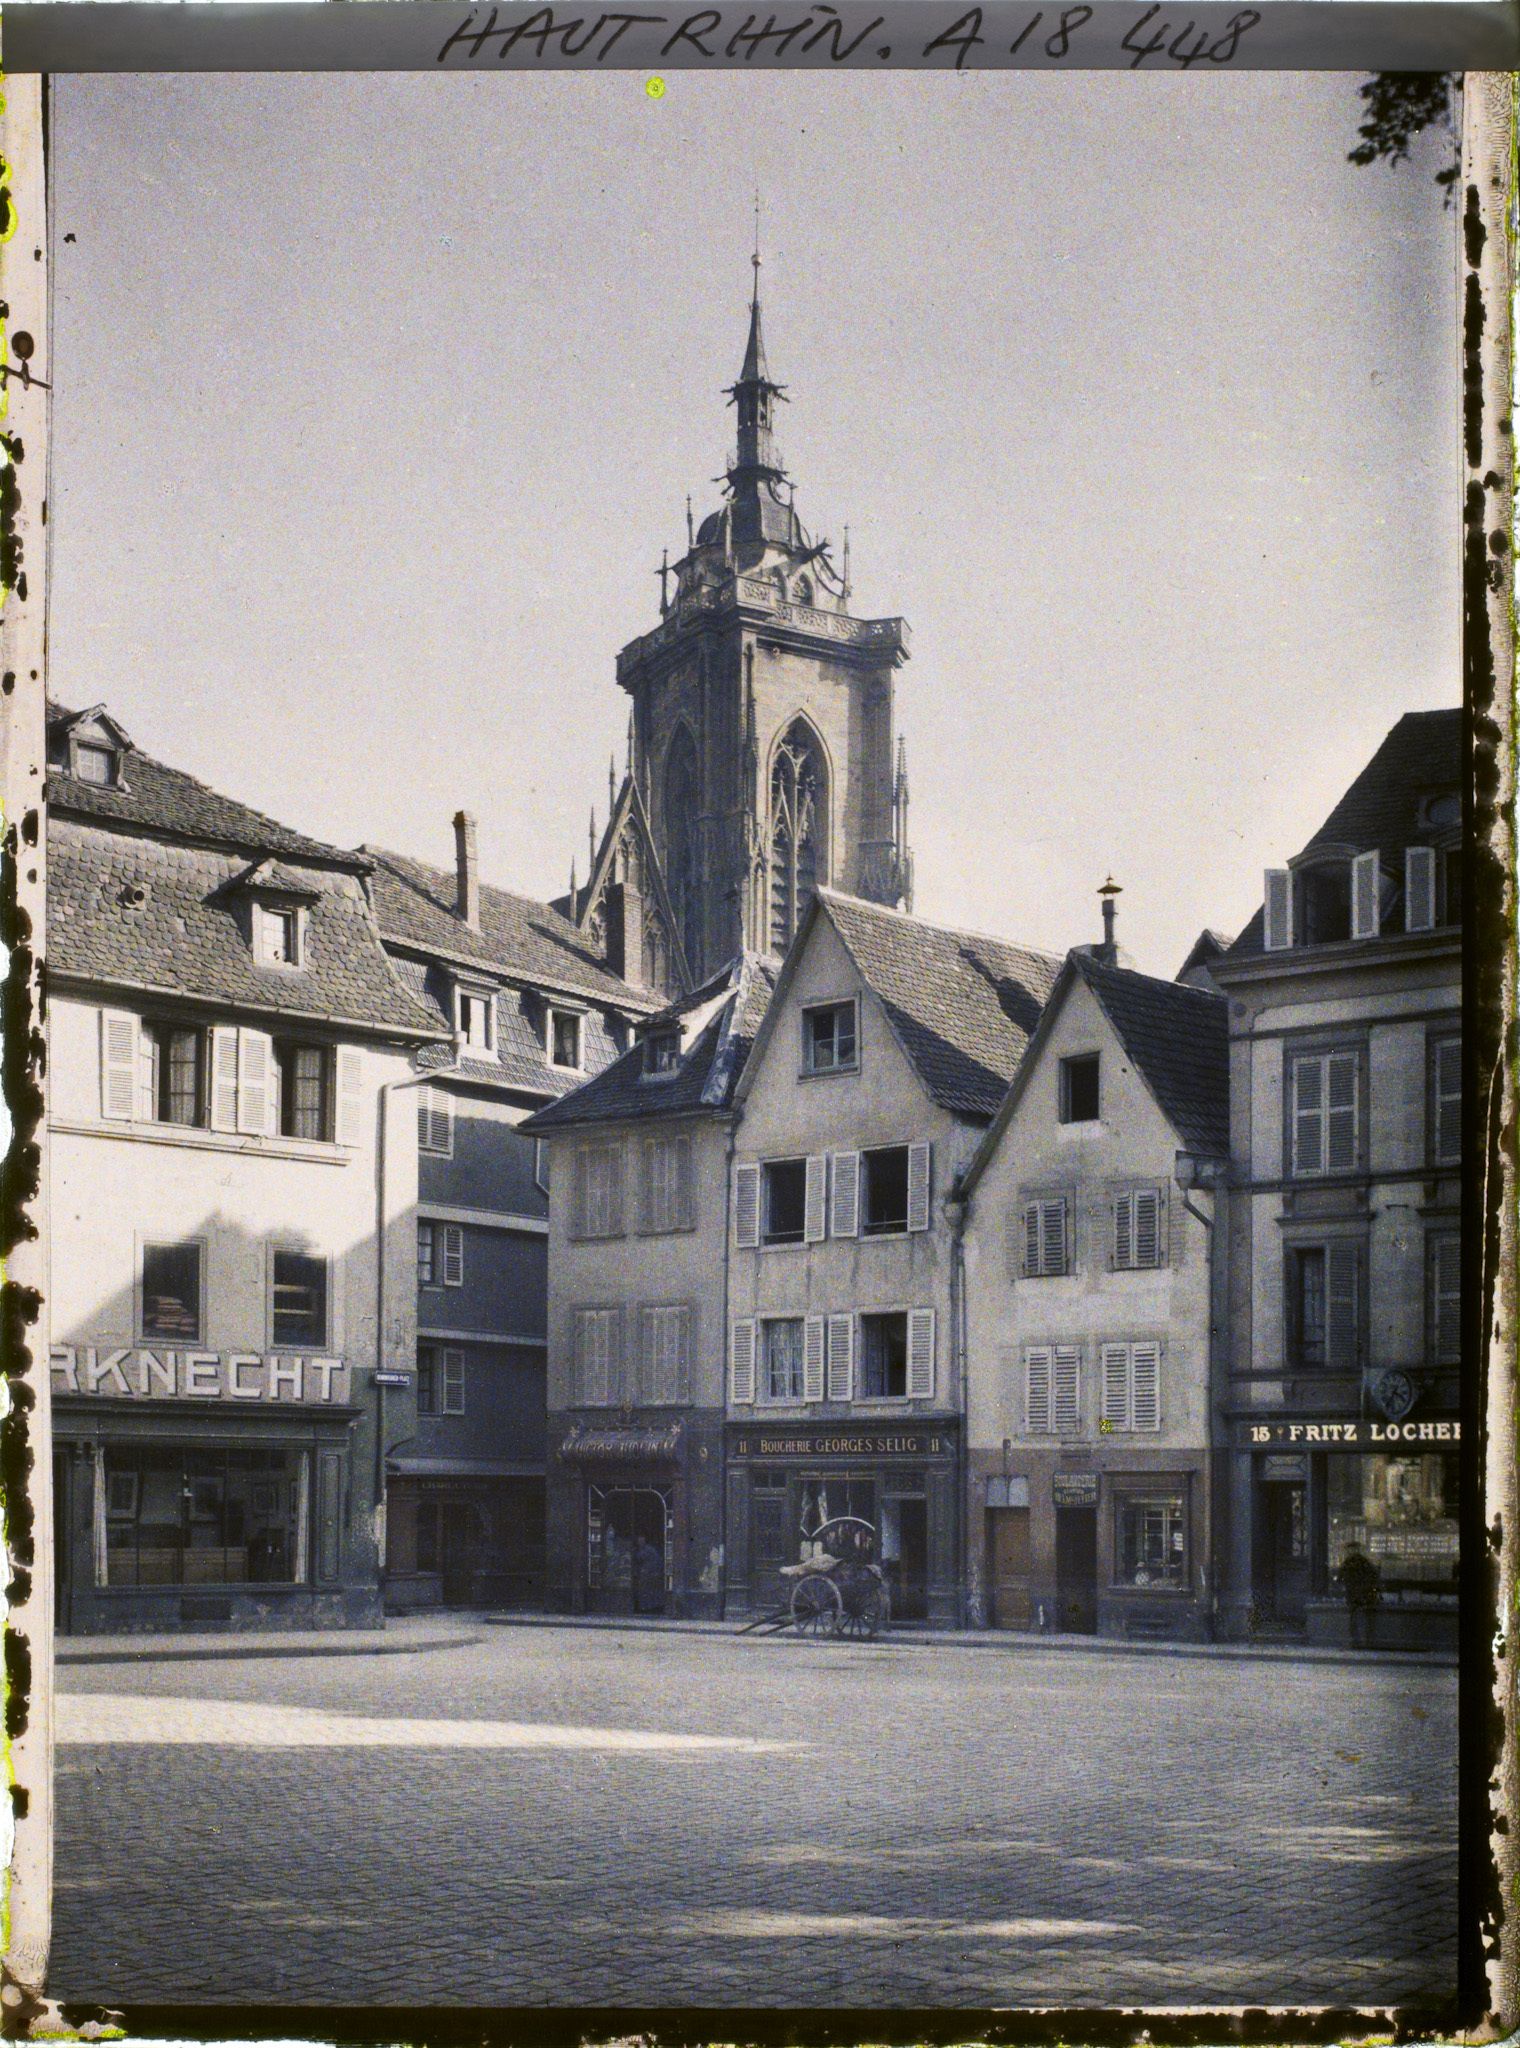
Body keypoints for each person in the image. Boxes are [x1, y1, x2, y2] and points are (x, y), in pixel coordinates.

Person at [1337, 1543, 1380, 1648]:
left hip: (1353, 1595)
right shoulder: (1365, 1562)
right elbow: (1374, 1576)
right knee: (1364, 1619)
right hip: (1363, 1595)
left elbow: (1339, 1578)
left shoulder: (1348, 1563)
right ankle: (1366, 1642)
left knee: (1354, 1619)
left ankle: (1355, 1642)